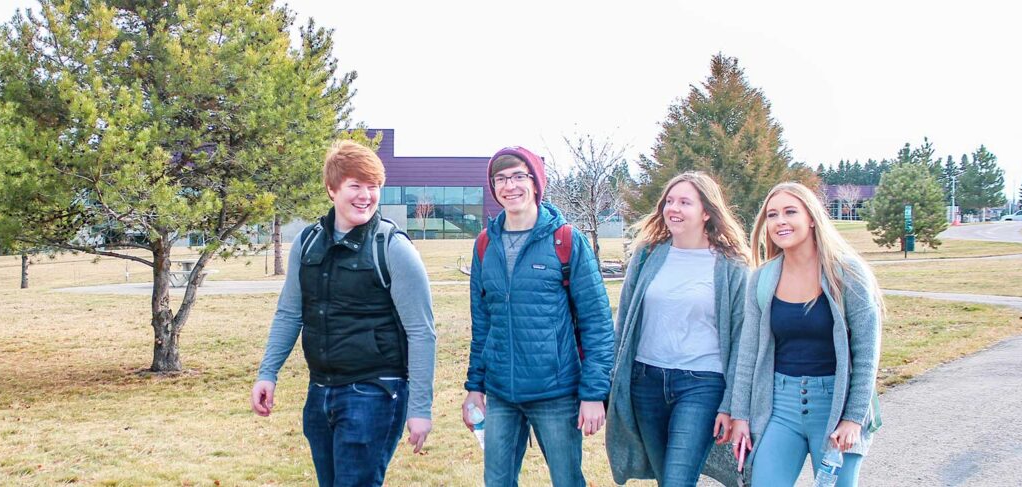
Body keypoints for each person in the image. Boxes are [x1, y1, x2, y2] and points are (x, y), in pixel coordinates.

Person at [250, 140, 438, 487]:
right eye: (356, 186)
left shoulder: (393, 248)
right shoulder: (307, 243)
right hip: (320, 392)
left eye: (373, 187)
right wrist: (268, 372)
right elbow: (290, 313)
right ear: (331, 189)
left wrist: (420, 409)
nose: (365, 196)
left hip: (375, 392)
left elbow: (421, 332)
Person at [461, 146, 615, 487]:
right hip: (501, 393)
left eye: (518, 176)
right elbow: (482, 323)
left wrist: (593, 393)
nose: (509, 185)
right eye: (500, 179)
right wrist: (475, 387)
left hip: (556, 392)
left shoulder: (566, 241)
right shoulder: (485, 244)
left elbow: (597, 323)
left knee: (567, 481)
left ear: (535, 183)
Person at [729, 182, 884, 487]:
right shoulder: (762, 279)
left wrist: (853, 418)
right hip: (779, 407)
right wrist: (740, 416)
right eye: (772, 215)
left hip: (836, 407)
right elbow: (748, 352)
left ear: (811, 218)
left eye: (790, 212)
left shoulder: (848, 273)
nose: (780, 221)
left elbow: (867, 353)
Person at [606, 172, 752, 486]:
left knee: (676, 480)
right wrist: (612, 380)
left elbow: (742, 340)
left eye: (685, 202)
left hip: (702, 385)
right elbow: (625, 323)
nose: (674, 208)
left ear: (707, 212)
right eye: (669, 201)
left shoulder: (731, 265)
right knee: (666, 479)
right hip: (645, 382)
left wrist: (731, 404)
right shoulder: (648, 255)